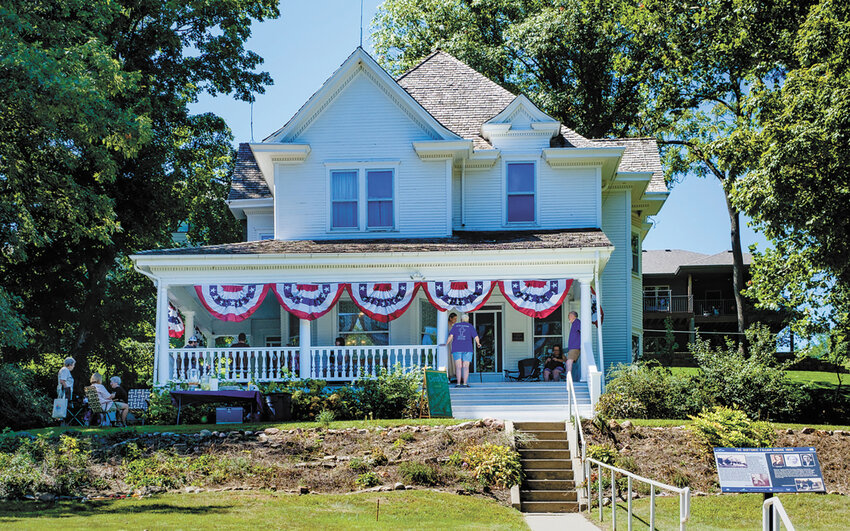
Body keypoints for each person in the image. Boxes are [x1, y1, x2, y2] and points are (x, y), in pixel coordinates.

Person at [447, 313, 480, 388]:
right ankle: (464, 383)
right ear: (467, 320)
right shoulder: (470, 326)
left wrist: (446, 344)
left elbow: (451, 336)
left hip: (457, 348)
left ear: (461, 320)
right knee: (466, 367)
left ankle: (458, 383)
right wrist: (478, 343)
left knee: (458, 367)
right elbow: (476, 337)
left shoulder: (455, 326)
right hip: (467, 348)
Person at [566, 311, 581, 381]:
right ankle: (570, 377)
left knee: (569, 361)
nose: (568, 317)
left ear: (573, 316)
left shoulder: (577, 322)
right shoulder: (574, 323)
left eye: (569, 316)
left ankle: (568, 377)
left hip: (575, 346)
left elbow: (582, 331)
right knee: (570, 362)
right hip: (573, 346)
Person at [445, 312, 458, 382]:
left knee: (453, 358)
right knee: (449, 359)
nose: (455, 320)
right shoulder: (446, 325)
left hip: (453, 344)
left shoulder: (453, 325)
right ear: (450, 318)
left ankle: (454, 375)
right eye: (454, 319)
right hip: (448, 344)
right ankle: (449, 375)